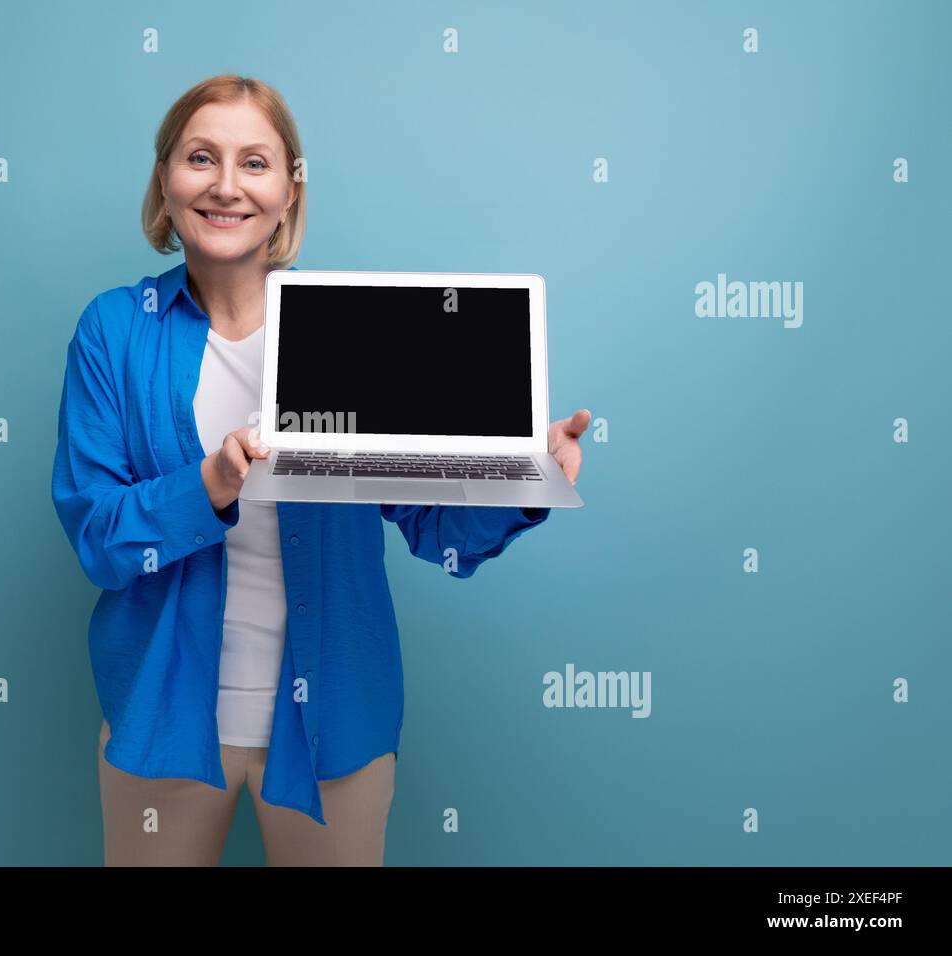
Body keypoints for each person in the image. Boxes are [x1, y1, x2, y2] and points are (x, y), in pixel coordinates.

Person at [52, 74, 590, 866]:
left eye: (256, 163)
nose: (226, 185)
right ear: (165, 183)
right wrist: (211, 486)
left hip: (333, 719)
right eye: (201, 158)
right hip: (162, 717)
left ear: (288, 193)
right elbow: (98, 538)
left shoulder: (352, 329)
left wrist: (524, 475)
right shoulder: (112, 329)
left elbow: (434, 530)